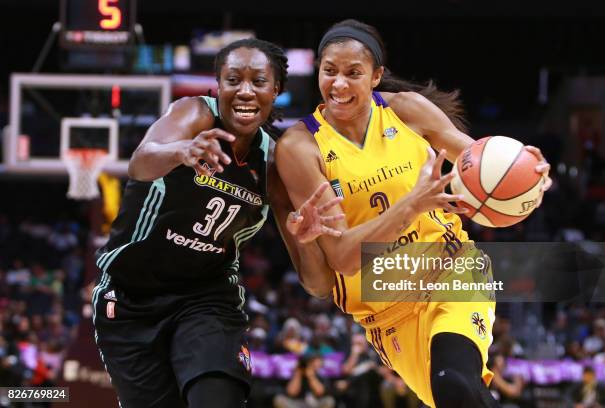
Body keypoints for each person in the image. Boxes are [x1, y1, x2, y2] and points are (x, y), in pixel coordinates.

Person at [275, 19, 552, 408]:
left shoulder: (405, 111)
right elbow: (342, 257)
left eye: (353, 73)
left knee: (456, 383)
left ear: (376, 77)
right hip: (384, 310)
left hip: (450, 267)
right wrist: (412, 205)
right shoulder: (301, 148)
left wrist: (528, 175)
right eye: (329, 71)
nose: (338, 84)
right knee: (455, 395)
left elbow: (478, 162)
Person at [92, 38, 344, 408]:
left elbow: (318, 285)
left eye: (258, 81)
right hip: (131, 297)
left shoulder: (274, 163)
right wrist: (181, 150)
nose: (245, 91)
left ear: (275, 91)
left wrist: (307, 239)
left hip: (205, 296)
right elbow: (140, 162)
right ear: (219, 85)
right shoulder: (194, 115)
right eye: (233, 80)